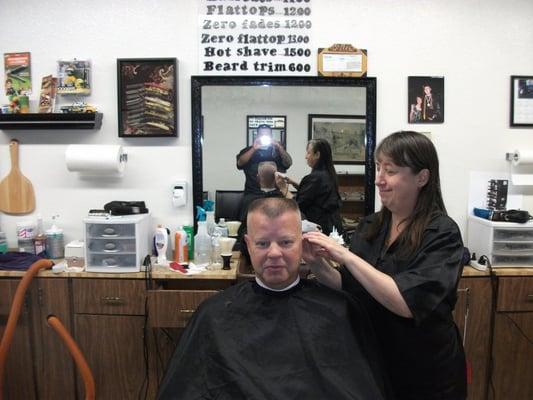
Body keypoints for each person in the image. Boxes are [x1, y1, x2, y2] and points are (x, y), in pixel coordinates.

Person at [157, 197, 392, 400]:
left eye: (286, 242)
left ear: (303, 242)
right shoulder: (214, 314)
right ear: (248, 245)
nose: (274, 253)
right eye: (262, 243)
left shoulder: (339, 310)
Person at [302, 131, 466, 400]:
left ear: (421, 178)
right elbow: (348, 284)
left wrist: (345, 255)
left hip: (424, 373)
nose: (379, 180)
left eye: (389, 171)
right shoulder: (371, 226)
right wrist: (317, 264)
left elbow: (406, 302)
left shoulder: (442, 234)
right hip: (374, 361)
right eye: (378, 168)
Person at [277, 138, 343, 236]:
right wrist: (292, 182)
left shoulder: (315, 178)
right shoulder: (328, 174)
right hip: (332, 225)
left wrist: (283, 189)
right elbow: (312, 193)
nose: (306, 157)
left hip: (320, 228)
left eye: (308, 153)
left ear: (317, 155)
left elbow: (297, 205)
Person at [236, 124, 292, 196]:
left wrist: (279, 147)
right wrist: (254, 148)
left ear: (271, 137)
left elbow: (288, 163)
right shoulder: (248, 151)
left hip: (276, 194)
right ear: (257, 136)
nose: (264, 137)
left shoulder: (278, 151)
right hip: (253, 194)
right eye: (262, 135)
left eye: (267, 135)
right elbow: (240, 163)